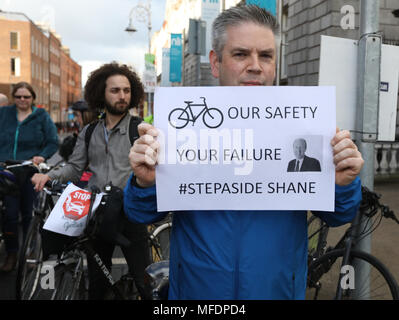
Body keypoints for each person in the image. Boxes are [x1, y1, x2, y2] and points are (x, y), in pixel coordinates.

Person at [123, 5, 365, 300]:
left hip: (275, 291)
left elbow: (338, 215)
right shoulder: (180, 127)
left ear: (276, 62)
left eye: (266, 55)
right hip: (198, 295)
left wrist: (342, 183)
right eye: (240, 54)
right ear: (216, 62)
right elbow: (140, 213)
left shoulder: (306, 124)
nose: (255, 66)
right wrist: (146, 183)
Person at [31, 62, 151, 300]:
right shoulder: (89, 132)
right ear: (101, 93)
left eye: (126, 91)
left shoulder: (140, 130)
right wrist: (49, 175)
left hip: (131, 213)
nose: (122, 96)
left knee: (143, 281)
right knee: (97, 283)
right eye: (115, 90)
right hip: (97, 215)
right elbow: (75, 168)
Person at [0, 82, 58, 272]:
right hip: (6, 169)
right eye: (18, 97)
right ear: (13, 97)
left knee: (28, 214)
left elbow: (52, 141)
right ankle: (12, 253)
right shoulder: (4, 114)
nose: (22, 100)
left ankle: (30, 251)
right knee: (9, 215)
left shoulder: (41, 116)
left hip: (29, 170)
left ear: (33, 98)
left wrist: (42, 156)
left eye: (26, 97)